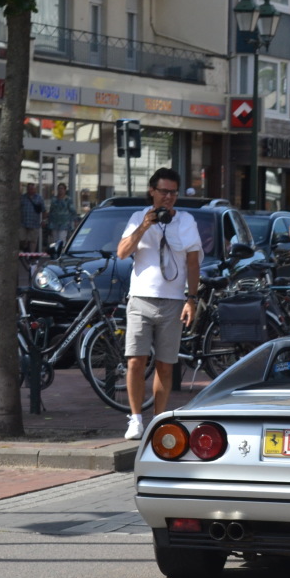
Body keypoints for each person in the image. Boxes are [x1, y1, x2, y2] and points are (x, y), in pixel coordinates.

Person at [117, 168, 202, 440]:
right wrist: (144, 226)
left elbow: (192, 262)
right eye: (163, 191)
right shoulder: (137, 218)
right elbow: (122, 253)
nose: (168, 197)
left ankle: (157, 420)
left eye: (173, 192)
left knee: (166, 365)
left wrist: (192, 298)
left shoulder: (186, 220)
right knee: (135, 360)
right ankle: (136, 419)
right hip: (141, 297)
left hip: (174, 301)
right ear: (152, 191)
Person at [19, 182, 46, 252]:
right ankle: (24, 249)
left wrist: (44, 220)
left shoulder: (39, 198)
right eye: (28, 188)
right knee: (21, 238)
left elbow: (44, 210)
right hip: (23, 223)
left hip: (34, 223)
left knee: (33, 240)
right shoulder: (22, 198)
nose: (30, 190)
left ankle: (32, 254)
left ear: (35, 189)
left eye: (32, 188)